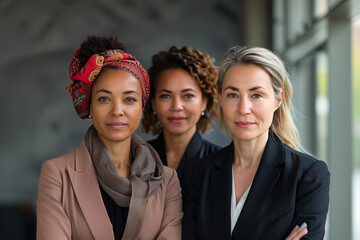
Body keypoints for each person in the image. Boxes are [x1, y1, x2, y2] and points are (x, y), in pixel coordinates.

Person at [36, 36, 183, 240]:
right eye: (104, 99)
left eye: (129, 99)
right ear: (90, 107)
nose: (117, 110)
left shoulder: (167, 181)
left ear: (142, 108)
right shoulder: (57, 175)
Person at [182, 46, 330, 240]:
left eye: (256, 95)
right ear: (220, 99)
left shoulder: (308, 176)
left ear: (278, 100)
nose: (244, 109)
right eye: (233, 95)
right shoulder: (200, 171)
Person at [141, 46, 220, 189]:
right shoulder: (137, 158)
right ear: (153, 103)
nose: (177, 106)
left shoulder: (223, 162)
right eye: (166, 96)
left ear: (204, 102)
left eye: (188, 96)